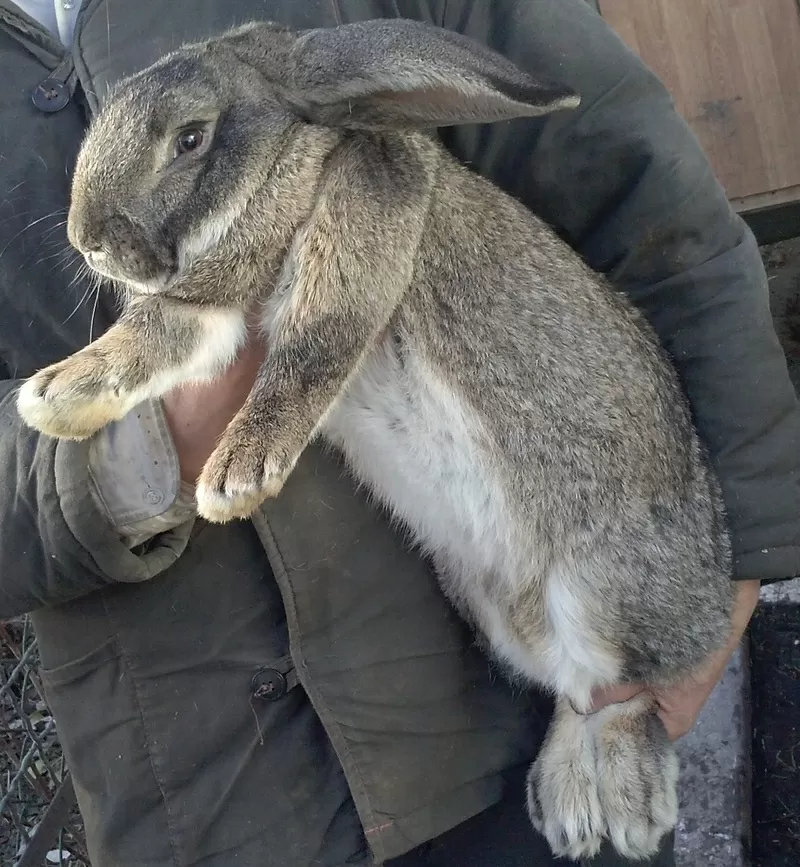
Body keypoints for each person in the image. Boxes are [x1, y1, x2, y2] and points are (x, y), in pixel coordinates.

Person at [0, 0, 796, 865]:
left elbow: (642, 193)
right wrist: (129, 463)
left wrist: (731, 567)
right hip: (200, 809)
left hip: (496, 739)